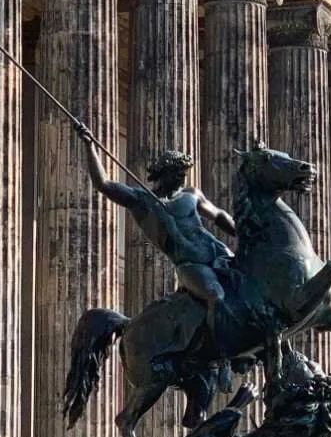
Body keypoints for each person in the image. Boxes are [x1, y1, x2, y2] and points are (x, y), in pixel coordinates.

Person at [79, 126, 236, 338]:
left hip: (216, 251)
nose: (182, 178)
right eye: (177, 173)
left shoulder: (191, 195)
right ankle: (219, 351)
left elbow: (218, 215)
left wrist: (240, 230)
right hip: (190, 265)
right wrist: (90, 146)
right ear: (163, 173)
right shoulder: (142, 201)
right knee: (215, 296)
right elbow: (104, 184)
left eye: (184, 173)